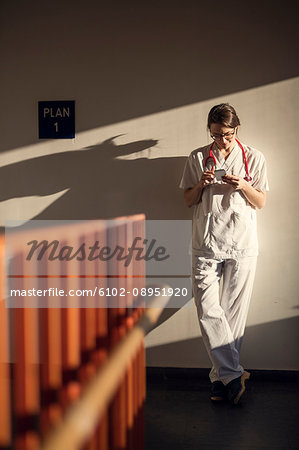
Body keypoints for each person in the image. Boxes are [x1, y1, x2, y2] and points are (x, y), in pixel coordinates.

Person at [179, 103, 269, 405]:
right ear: (210, 131)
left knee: (233, 316)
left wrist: (243, 184)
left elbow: (260, 202)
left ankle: (220, 381)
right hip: (205, 242)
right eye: (217, 135)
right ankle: (233, 374)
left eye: (228, 135)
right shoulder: (196, 157)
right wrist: (202, 184)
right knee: (207, 310)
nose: (223, 141)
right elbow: (187, 200)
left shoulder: (254, 158)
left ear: (237, 130)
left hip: (241, 244)